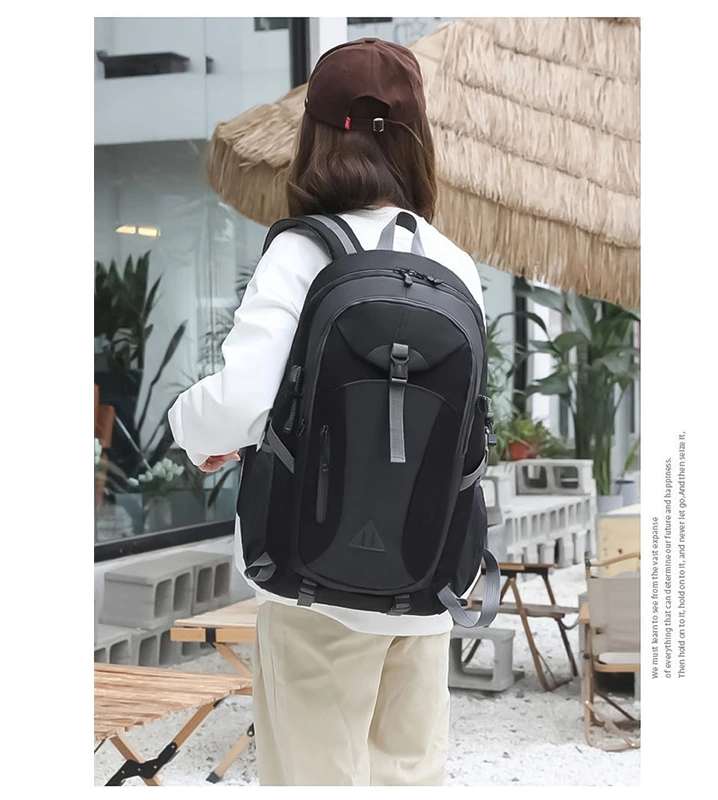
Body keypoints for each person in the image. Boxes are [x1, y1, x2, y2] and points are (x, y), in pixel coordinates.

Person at [168, 37, 486, 787]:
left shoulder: (302, 254)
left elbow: (244, 401)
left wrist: (190, 427)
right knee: (408, 779)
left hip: (314, 582)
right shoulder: (453, 262)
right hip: (426, 575)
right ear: (416, 140)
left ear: (311, 135)